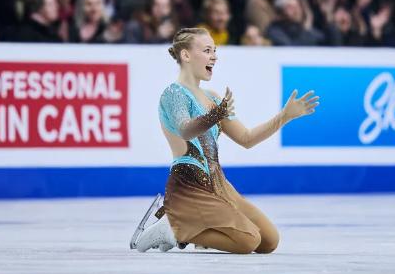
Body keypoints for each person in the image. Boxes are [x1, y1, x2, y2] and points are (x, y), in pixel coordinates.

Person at [132, 27, 319, 254]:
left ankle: (196, 232)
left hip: (219, 183)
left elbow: (246, 138)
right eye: (207, 50)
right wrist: (215, 115)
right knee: (248, 240)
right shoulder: (173, 93)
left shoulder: (212, 97)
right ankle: (173, 228)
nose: (214, 57)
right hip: (190, 184)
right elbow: (186, 130)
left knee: (269, 240)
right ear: (186, 55)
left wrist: (284, 116)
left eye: (215, 51)